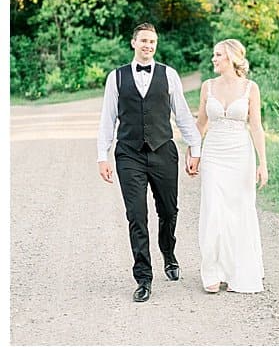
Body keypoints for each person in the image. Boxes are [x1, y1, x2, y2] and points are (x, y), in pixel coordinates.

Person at [97, 22, 202, 303]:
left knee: (169, 211)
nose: (148, 46)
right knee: (136, 216)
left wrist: (195, 147)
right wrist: (102, 156)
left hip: (163, 151)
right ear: (133, 43)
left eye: (152, 42)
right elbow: (107, 120)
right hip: (129, 154)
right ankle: (143, 277)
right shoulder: (116, 78)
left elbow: (181, 114)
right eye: (143, 40)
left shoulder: (169, 75)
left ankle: (168, 251)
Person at [195, 38, 268, 294]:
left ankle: (237, 269)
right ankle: (212, 270)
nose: (214, 59)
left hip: (240, 154)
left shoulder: (250, 88)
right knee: (214, 209)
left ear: (233, 58)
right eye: (214, 55)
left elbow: (256, 126)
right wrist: (193, 153)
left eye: (218, 55)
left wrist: (263, 163)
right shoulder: (208, 87)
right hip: (214, 153)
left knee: (238, 210)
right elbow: (201, 124)